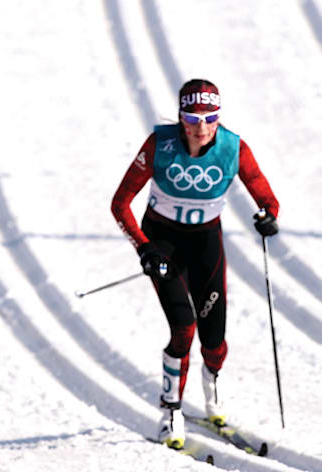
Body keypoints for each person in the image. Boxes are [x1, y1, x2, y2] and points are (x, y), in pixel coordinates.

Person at [111, 79, 280, 449]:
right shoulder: (160, 146)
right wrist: (144, 248)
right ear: (180, 117)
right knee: (183, 329)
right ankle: (170, 411)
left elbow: (266, 195)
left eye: (210, 118)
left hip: (205, 244)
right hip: (163, 246)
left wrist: (268, 214)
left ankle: (212, 398)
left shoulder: (233, 148)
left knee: (214, 340)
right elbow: (120, 203)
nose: (201, 127)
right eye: (191, 117)